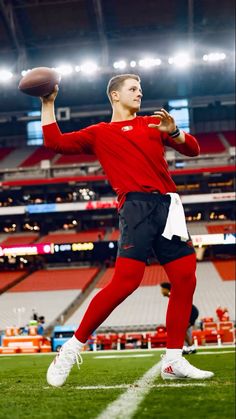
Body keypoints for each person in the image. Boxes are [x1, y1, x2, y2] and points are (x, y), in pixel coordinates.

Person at [41, 73, 214, 386]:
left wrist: (174, 131)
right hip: (135, 207)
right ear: (115, 96)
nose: (140, 93)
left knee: (185, 277)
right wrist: (47, 102)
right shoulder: (99, 133)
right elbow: (54, 142)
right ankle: (71, 347)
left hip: (168, 206)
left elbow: (194, 149)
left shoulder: (153, 123)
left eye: (140, 88)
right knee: (126, 282)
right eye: (133, 89)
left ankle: (173, 359)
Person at [160, 282, 199, 354]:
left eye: (162, 289)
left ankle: (190, 347)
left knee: (180, 330)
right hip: (189, 312)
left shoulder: (173, 295)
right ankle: (188, 347)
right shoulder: (172, 296)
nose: (161, 291)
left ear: (167, 289)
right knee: (181, 330)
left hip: (191, 312)